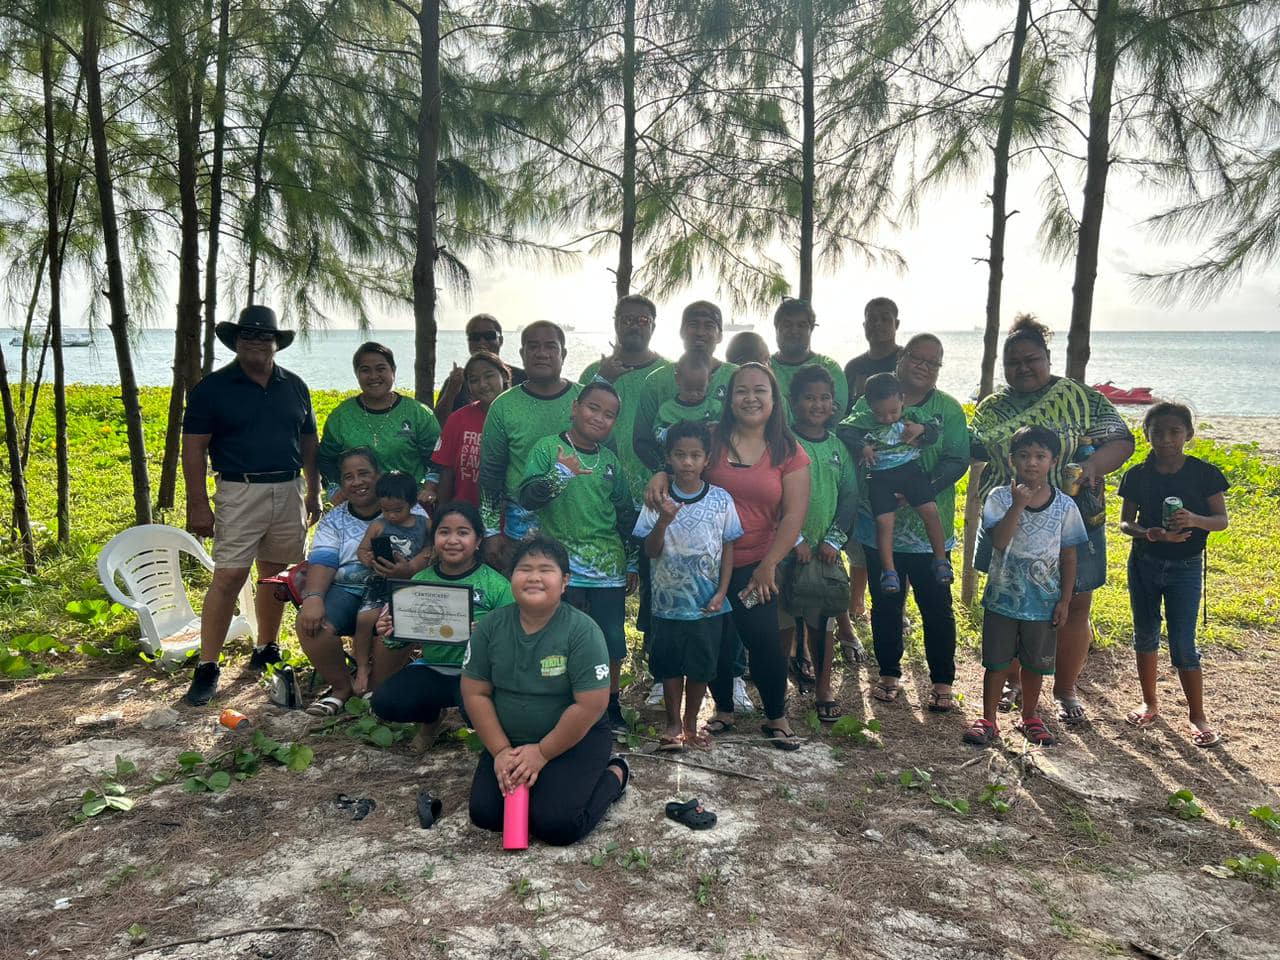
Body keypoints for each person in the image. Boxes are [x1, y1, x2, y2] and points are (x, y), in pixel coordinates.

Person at [971, 314, 1134, 725]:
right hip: (1009, 519)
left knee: (1074, 604)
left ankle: (1064, 689)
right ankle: (1013, 682)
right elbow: (968, 447)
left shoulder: (1080, 397)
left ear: (1047, 356)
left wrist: (1094, 465)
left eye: (1032, 359)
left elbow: (1122, 437)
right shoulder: (992, 408)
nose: (1023, 367)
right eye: (1014, 362)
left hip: (1072, 516)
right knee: (1009, 606)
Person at [645, 362, 810, 749]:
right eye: (741, 390)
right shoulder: (713, 438)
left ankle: (776, 717)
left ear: (774, 399)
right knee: (714, 638)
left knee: (763, 637)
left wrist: (769, 565)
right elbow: (683, 461)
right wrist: (659, 475)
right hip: (704, 563)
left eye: (759, 391)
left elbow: (794, 514)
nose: (750, 398)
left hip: (757, 562)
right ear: (729, 397)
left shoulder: (789, 450)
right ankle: (723, 711)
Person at [181, 304, 321, 706]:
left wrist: (313, 491)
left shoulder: (294, 385)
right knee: (229, 576)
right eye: (248, 335)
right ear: (236, 341)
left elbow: (308, 442)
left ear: (276, 343)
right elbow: (194, 448)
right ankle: (208, 666)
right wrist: (198, 504)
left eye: (264, 336)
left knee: (275, 575)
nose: (256, 342)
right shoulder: (213, 388)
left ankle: (266, 647)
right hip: (238, 491)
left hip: (288, 487)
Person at [462, 537, 629, 847]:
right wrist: (500, 751)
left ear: (564, 581)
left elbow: (591, 705)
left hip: (574, 739)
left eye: (545, 570)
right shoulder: (491, 627)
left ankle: (616, 774)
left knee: (557, 825)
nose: (534, 577)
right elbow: (475, 693)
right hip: (510, 741)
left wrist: (541, 753)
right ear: (511, 577)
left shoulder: (583, 630)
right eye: (524, 569)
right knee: (485, 815)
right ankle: (530, 770)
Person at [837, 334, 968, 711]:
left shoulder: (948, 409)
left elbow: (957, 459)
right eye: (917, 358)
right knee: (886, 603)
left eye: (933, 362)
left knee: (937, 607)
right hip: (880, 524)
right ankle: (889, 672)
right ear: (901, 360)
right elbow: (847, 432)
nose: (923, 367)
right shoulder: (872, 400)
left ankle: (942, 680)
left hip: (929, 529)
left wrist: (918, 490)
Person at [517, 381, 638, 729]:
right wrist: (561, 474)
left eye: (609, 414)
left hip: (607, 567)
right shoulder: (547, 449)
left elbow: (625, 515)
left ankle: (610, 705)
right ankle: (560, 703)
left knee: (611, 639)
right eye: (592, 408)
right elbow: (528, 498)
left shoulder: (610, 461)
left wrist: (630, 562)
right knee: (558, 637)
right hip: (560, 567)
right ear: (574, 407)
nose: (599, 418)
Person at [963, 427, 1087, 748]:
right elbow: (1000, 543)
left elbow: (1069, 556)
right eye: (1024, 456)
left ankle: (1029, 716)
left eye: (1040, 456)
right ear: (1012, 459)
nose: (1032, 463)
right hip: (1002, 599)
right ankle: (988, 720)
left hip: (1043, 603)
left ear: (1053, 461)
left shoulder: (1065, 507)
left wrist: (1064, 600)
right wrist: (1018, 505)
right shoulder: (999, 498)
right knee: (996, 663)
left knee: (1036, 664)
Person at [1118, 403, 1229, 747]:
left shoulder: (1203, 473)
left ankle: (1197, 716)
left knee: (1183, 642)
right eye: (1157, 432)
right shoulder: (1137, 475)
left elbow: (1221, 520)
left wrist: (1194, 520)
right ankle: (1150, 702)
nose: (1165, 439)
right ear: (1147, 435)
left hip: (1186, 566)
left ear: (1188, 435)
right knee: (1145, 634)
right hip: (1145, 563)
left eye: (1174, 432)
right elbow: (1125, 523)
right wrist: (1150, 533)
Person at [634, 420, 744, 751]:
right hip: (667, 604)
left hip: (708, 604)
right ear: (668, 457)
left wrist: (723, 591)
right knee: (668, 666)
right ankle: (672, 725)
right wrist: (665, 520)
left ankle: (691, 724)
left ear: (707, 460)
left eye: (695, 455)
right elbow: (650, 551)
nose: (687, 462)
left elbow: (728, 548)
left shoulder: (722, 500)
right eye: (680, 455)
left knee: (700, 668)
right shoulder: (658, 499)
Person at [371, 500, 514, 745]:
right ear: (434, 538)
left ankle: (492, 738)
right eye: (444, 532)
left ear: (478, 540)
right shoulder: (419, 581)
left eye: (463, 532)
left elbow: (516, 635)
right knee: (385, 702)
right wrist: (391, 632)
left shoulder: (497, 585)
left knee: (475, 711)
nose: (452, 540)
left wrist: (489, 632)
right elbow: (398, 641)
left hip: (479, 673)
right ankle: (430, 720)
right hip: (432, 668)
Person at [296, 448, 423, 716]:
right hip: (347, 588)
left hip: (398, 587)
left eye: (364, 473)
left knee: (400, 620)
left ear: (378, 476)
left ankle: (375, 689)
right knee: (311, 623)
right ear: (342, 484)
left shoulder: (409, 509)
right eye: (348, 477)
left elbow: (432, 551)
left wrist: (409, 569)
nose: (357, 482)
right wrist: (314, 598)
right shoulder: (335, 519)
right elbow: (324, 561)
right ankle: (342, 688)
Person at [780, 366, 860, 721]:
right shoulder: (781, 444)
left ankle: (824, 686)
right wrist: (793, 537)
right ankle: (779, 683)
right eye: (809, 397)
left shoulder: (838, 449)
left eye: (824, 397)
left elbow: (849, 499)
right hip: (784, 549)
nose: (817, 404)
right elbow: (770, 496)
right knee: (783, 619)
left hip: (825, 553)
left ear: (834, 403)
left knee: (822, 621)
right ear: (793, 402)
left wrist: (833, 539)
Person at [478, 321, 580, 571]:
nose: (541, 353)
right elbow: (490, 472)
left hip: (579, 532)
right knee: (527, 605)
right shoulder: (503, 406)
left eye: (550, 346)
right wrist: (490, 532)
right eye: (533, 347)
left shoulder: (585, 401)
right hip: (522, 533)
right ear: (522, 354)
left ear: (563, 354)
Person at [839, 372, 952, 593]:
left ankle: (940, 560)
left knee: (930, 511)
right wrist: (861, 446)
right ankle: (889, 571)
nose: (889, 418)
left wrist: (922, 429)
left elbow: (935, 429)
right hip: (880, 477)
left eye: (893, 411)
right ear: (870, 406)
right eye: (880, 414)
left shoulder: (912, 414)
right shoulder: (864, 419)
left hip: (910, 471)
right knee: (883, 523)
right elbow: (843, 430)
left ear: (902, 399)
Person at [840, 297, 903, 647]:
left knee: (896, 541)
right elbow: (847, 413)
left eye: (884, 318)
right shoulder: (854, 366)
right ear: (864, 325)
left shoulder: (905, 360)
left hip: (901, 462)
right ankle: (855, 601)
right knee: (862, 539)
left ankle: (895, 606)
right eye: (871, 319)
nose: (878, 325)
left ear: (896, 322)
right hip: (864, 462)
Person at [316, 342, 441, 508]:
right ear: (357, 374)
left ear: (393, 371)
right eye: (365, 370)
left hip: (407, 506)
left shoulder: (418, 414)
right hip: (358, 507)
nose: (374, 376)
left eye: (381, 368)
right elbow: (326, 459)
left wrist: (429, 488)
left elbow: (437, 459)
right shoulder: (341, 416)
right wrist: (334, 488)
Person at [578, 295, 669, 510]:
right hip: (599, 489)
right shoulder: (594, 372)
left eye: (643, 321)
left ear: (653, 326)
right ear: (616, 323)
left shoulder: (669, 373)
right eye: (627, 320)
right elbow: (574, 423)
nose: (635, 326)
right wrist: (604, 379)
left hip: (655, 492)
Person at [350, 471, 433, 695]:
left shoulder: (423, 524)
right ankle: (362, 667)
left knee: (400, 623)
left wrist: (418, 562)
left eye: (398, 510)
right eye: (386, 510)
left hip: (410, 585)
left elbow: (433, 547)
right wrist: (366, 557)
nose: (392, 516)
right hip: (380, 581)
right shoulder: (378, 526)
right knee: (364, 619)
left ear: (412, 503)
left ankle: (413, 667)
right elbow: (363, 549)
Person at [633, 301, 738, 474]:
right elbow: (642, 441)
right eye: (693, 325)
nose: (700, 332)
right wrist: (665, 473)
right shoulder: (656, 381)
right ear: (681, 332)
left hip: (725, 481)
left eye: (709, 326)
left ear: (720, 336)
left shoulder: (736, 377)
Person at [433, 352, 511, 507]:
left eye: (489, 376)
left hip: (510, 522)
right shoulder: (457, 419)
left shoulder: (519, 418)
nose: (482, 384)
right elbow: (446, 472)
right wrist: (441, 515)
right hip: (465, 517)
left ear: (504, 375)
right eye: (474, 380)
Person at [435, 314, 527, 428]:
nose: (481, 342)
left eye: (489, 336)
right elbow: (438, 425)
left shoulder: (523, 378)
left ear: (501, 340)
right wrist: (451, 390)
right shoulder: (456, 381)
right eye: (475, 337)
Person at [768, 298, 849, 421]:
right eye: (787, 325)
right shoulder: (765, 368)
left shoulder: (829, 368)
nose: (794, 331)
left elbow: (831, 417)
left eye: (801, 325)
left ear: (811, 329)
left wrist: (783, 406)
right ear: (776, 327)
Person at [652, 352, 719, 448]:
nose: (694, 394)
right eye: (688, 389)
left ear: (710, 380)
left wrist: (716, 429)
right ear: (677, 379)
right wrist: (667, 433)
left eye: (700, 389)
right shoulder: (667, 410)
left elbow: (726, 433)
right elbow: (656, 434)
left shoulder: (714, 408)